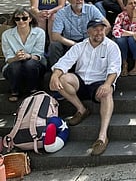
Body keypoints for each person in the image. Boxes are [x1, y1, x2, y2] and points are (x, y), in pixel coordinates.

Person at [49, 19, 121, 156]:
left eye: (101, 29)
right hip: (81, 81)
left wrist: (107, 84)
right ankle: (81, 109)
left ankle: (102, 137)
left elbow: (114, 69)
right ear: (88, 31)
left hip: (99, 82)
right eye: (95, 29)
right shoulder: (80, 46)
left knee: (107, 92)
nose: (99, 32)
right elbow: (64, 62)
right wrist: (55, 75)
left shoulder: (111, 46)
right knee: (61, 78)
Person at [49, 0, 110, 66]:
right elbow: (55, 36)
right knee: (54, 45)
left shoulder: (91, 9)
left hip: (89, 41)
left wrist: (94, 39)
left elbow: (107, 26)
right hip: (70, 43)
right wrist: (74, 44)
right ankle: (56, 72)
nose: (79, 0)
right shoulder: (62, 13)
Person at [2, 7, 47, 102]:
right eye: (17, 19)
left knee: (29, 63)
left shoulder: (40, 33)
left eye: (24, 18)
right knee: (15, 65)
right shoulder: (6, 34)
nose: (21, 21)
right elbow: (8, 57)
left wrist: (28, 56)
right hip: (14, 65)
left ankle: (33, 90)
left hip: (35, 63)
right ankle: (14, 91)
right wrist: (16, 58)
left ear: (30, 19)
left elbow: (39, 54)